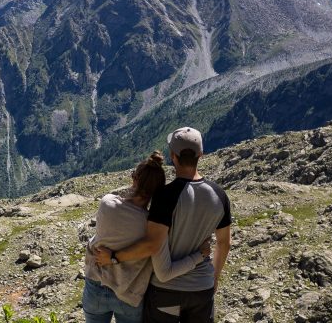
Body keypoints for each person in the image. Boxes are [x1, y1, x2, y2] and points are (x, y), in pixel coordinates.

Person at [95, 127, 232, 323]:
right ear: (201, 154)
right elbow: (224, 243)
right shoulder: (219, 195)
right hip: (202, 288)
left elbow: (154, 246)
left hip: (165, 291)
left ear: (172, 156)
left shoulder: (165, 196)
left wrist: (115, 257)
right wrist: (214, 277)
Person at [82, 151, 211, 323]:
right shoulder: (151, 226)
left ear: (134, 179)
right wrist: (199, 255)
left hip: (96, 284)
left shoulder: (107, 202)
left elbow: (99, 238)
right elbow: (160, 261)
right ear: (158, 190)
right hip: (129, 293)